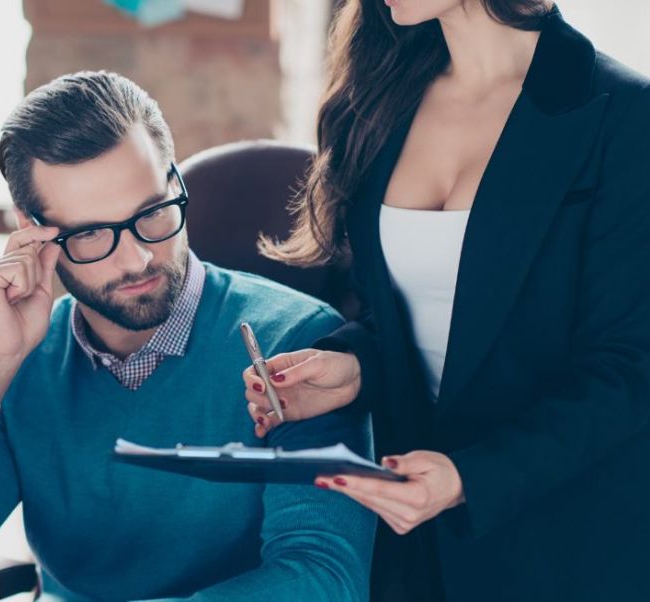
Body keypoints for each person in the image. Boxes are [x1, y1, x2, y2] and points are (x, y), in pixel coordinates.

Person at [0, 70, 376, 601]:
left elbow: (324, 579)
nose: (138, 257)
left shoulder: (303, 345)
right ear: (31, 234)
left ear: (174, 183)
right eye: (92, 232)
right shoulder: (24, 359)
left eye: (151, 213)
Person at [244, 2, 650, 601]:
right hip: (418, 547)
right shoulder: (378, 99)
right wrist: (355, 367)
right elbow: (407, 314)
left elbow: (630, 366)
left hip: (571, 542)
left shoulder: (623, 114)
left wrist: (470, 479)